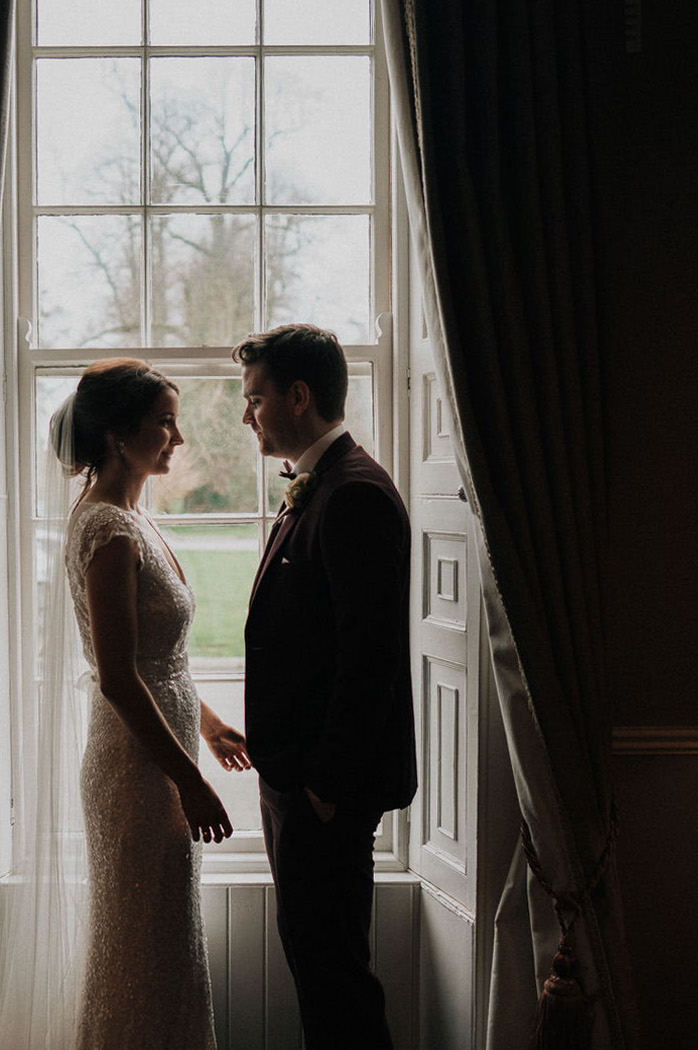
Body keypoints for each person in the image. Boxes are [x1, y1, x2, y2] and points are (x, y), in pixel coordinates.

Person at [52, 357, 253, 1049]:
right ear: (117, 434)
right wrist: (189, 781)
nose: (180, 437)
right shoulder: (107, 530)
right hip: (138, 772)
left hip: (161, 755)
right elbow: (116, 676)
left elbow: (158, 660)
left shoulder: (135, 518)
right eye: (164, 421)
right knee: (143, 947)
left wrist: (212, 723)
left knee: (160, 947)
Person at [235, 323, 417, 1050]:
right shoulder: (322, 485)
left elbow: (367, 660)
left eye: (255, 399)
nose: (247, 416)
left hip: (324, 796)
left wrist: (324, 787)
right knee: (321, 973)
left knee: (336, 981)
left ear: (299, 396)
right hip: (300, 787)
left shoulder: (353, 495)